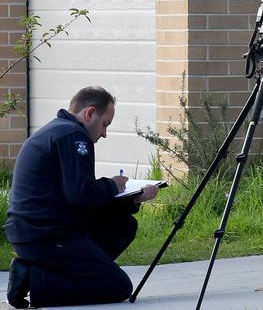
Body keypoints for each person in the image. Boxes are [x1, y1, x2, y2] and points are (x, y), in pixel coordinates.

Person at [4, 86, 159, 308]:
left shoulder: (59, 130)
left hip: (38, 230)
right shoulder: (73, 135)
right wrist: (112, 185)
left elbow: (81, 200)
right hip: (44, 234)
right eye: (105, 124)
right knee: (118, 287)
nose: (104, 133)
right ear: (89, 113)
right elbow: (80, 195)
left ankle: (53, 271)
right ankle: (35, 278)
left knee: (122, 226)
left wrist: (132, 200)